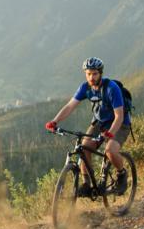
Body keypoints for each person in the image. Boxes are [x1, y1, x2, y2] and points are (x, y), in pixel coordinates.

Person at [44, 57, 131, 195]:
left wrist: (110, 133)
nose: (91, 77)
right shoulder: (85, 88)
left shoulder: (111, 88)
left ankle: (122, 175)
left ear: (100, 73)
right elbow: (70, 106)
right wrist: (54, 121)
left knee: (110, 150)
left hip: (120, 123)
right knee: (83, 148)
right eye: (88, 74)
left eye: (94, 73)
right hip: (100, 122)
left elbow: (119, 116)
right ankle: (86, 184)